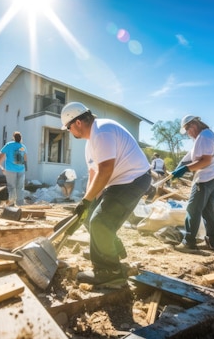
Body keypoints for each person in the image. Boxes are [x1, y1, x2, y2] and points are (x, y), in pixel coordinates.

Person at [61, 102, 151, 287]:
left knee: (100, 222)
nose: (69, 131)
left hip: (133, 179)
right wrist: (86, 204)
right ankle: (113, 249)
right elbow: (94, 175)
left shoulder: (102, 131)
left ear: (78, 122)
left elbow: (106, 170)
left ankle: (110, 271)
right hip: (119, 181)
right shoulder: (90, 142)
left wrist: (86, 202)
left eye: (69, 127)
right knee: (89, 217)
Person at [171, 115, 214, 253]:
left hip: (206, 177)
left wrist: (185, 169)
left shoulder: (204, 136)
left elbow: (205, 160)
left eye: (187, 131)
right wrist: (179, 166)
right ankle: (212, 242)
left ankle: (188, 242)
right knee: (207, 209)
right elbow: (190, 155)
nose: (188, 135)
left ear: (192, 125)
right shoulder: (204, 136)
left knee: (193, 209)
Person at [0, 131, 27, 206]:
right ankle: (20, 205)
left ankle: (11, 204)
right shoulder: (23, 146)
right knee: (20, 188)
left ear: (13, 137)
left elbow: (1, 155)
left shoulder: (9, 145)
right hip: (21, 170)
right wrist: (25, 168)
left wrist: (1, 166)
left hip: (10, 170)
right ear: (20, 138)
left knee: (11, 187)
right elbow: (25, 159)